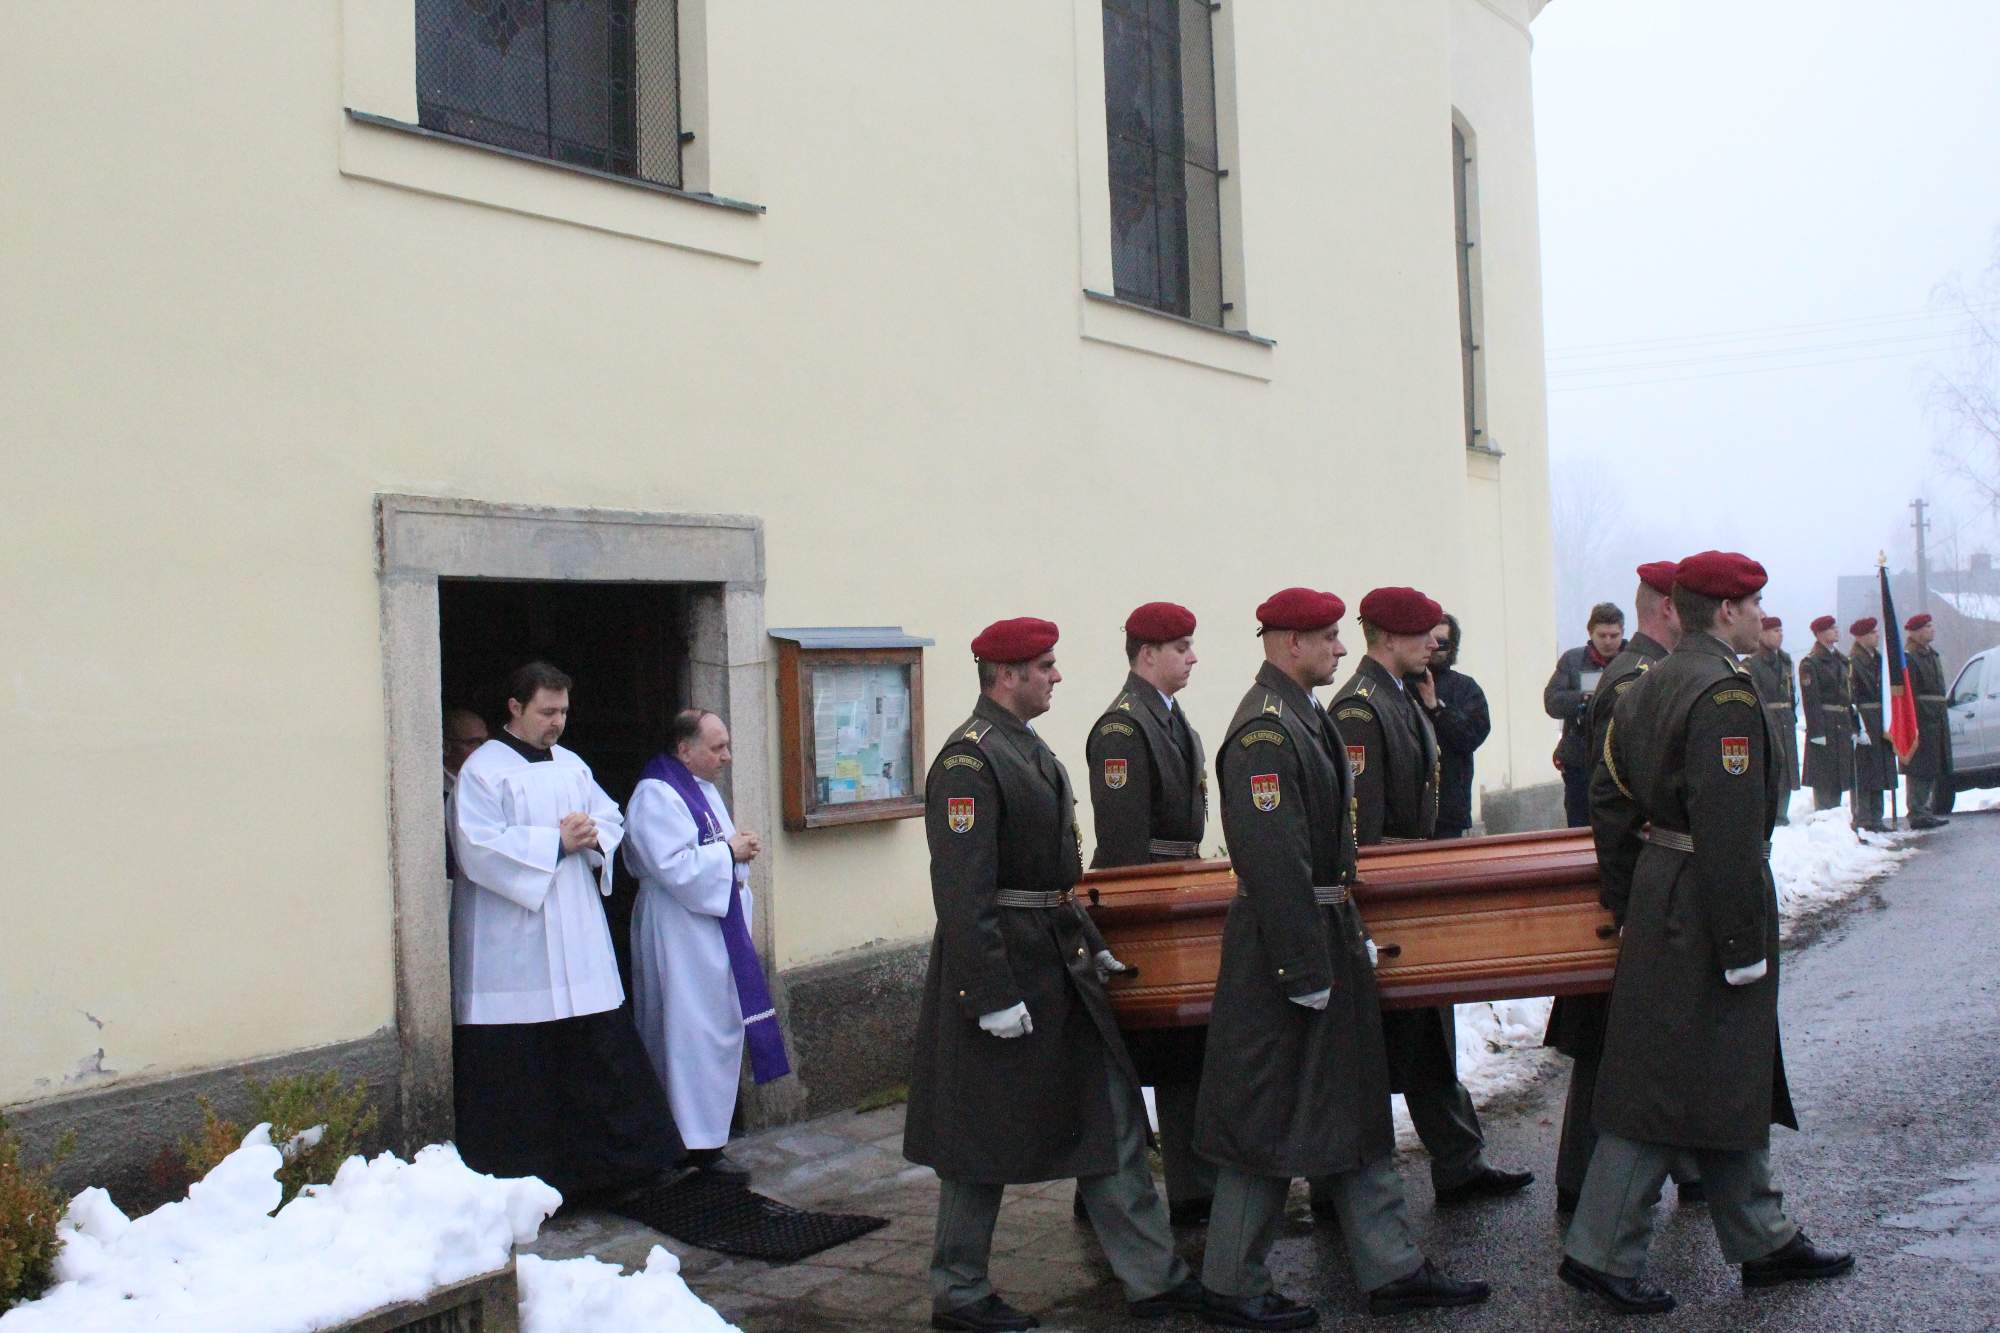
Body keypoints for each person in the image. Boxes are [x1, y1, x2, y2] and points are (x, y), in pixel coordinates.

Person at [1562, 552, 1852, 1315]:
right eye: (1752, 604)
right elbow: (1728, 828)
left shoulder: (1650, 680)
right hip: (1706, 899)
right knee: (1668, 1081)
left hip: (1668, 888)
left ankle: (1762, 1234)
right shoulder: (1722, 691)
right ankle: (1600, 1249)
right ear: (1725, 610)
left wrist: (1631, 891)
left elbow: (1609, 794)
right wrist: (1741, 942)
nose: (1759, 615)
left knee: (1722, 1068)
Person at [1195, 587, 1489, 1328]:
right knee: (1270, 1114)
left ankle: (1392, 1264)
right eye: (1327, 635)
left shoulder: (1304, 714)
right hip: (1284, 949)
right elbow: (1273, 860)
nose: (1339, 646)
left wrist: (1341, 934)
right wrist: (1302, 966)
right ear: (1290, 642)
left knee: (1349, 1102)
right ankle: (1231, 1280)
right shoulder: (1266, 730)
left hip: (1323, 930)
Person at [903, 618, 1200, 1332]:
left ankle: (1155, 1278)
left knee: (1110, 1117)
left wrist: (1091, 943)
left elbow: (1055, 876)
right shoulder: (969, 760)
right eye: (1044, 666)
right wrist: (989, 993)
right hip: (1006, 968)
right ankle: (959, 1290)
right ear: (1006, 676)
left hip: (1058, 964)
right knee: (982, 1135)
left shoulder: (1025, 746)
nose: (1057, 675)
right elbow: (963, 890)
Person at [1322, 587, 1532, 1211]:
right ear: (1388, 638)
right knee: (1383, 1045)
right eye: (1421, 636)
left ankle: (1459, 1161)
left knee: (1427, 1034)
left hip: (1413, 885)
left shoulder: (1400, 695)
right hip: (1389, 897)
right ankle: (1344, 1188)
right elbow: (1361, 826)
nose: (1434, 644)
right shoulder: (1361, 708)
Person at [448, 661, 684, 1200]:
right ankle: (528, 1185)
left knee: (599, 1052)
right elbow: (476, 845)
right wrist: (553, 843)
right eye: (547, 711)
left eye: (563, 712)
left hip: (576, 936)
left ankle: (620, 1171)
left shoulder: (572, 764)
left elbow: (611, 818)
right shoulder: (483, 771)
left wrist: (592, 834)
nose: (557, 722)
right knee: (520, 1067)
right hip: (513, 945)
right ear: (515, 707)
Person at [1546, 561, 1700, 1215]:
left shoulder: (1643, 672)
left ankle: (1685, 1162)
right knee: (1616, 1035)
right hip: (1638, 882)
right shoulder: (1637, 679)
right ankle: (1585, 1177)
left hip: (1645, 879)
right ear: (1668, 607)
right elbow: (1613, 801)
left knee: (1639, 1032)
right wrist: (1628, 900)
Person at [1081, 601, 1213, 1227]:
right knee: (1134, 1056)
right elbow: (1124, 841)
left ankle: (1192, 1185)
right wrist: (1142, 922)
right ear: (1148, 654)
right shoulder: (1122, 728)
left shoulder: (1168, 717)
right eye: (1181, 648)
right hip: (1145, 906)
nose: (1192, 658)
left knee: (1183, 1048)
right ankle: (1102, 1190)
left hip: (1175, 895)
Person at [625, 708, 784, 1180]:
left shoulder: (702, 789)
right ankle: (688, 1145)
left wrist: (736, 854)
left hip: (711, 929)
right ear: (684, 750)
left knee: (712, 1027)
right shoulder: (656, 794)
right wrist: (729, 852)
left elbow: (713, 855)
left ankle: (708, 1137)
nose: (727, 756)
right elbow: (674, 868)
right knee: (684, 1033)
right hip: (678, 930)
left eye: (727, 745)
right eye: (717, 748)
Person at [1546, 603, 1627, 827]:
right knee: (1579, 824)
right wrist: (1584, 699)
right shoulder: (1572, 661)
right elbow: (1552, 702)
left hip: (1622, 759)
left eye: (1614, 635)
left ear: (1622, 633)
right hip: (1580, 761)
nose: (1608, 642)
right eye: (1602, 635)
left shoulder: (1634, 662)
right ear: (1590, 633)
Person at [1420, 614, 1491, 839]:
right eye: (1429, 640)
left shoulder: (1466, 688)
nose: (1434, 647)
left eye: (1441, 643)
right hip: (1410, 809)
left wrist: (1437, 708)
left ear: (1452, 647)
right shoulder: (1403, 683)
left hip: (1449, 808)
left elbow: (1471, 736)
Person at [1797, 615, 1853, 813]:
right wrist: (1817, 731)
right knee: (1824, 776)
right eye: (1831, 628)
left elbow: (1848, 695)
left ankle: (1835, 817)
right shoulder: (1811, 663)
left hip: (1841, 722)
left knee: (1838, 775)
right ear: (1820, 633)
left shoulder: (1841, 660)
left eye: (1836, 627)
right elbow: (1811, 700)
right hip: (1825, 723)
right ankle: (1824, 817)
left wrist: (1854, 725)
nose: (1836, 631)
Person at [1746, 617, 1799, 823]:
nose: (1780, 635)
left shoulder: (1785, 661)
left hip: (1785, 718)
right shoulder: (1752, 664)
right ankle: (1769, 813)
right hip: (1767, 718)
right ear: (1762, 634)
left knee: (1786, 767)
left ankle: (1781, 812)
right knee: (1770, 767)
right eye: (1775, 631)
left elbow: (1791, 693)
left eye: (1781, 630)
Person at [1904, 613, 1952, 829]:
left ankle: (1925, 809)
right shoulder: (1910, 657)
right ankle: (1917, 811)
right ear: (1916, 632)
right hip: (1922, 719)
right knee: (1919, 767)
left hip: (1936, 717)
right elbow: (1910, 694)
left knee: (1932, 765)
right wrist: (1916, 721)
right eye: (1927, 626)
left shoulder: (1932, 655)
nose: (1932, 629)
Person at [1846, 619, 1893, 832]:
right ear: (1861, 637)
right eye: (1872, 633)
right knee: (1864, 770)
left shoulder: (1879, 660)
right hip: (1864, 717)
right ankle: (1863, 817)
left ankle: (1877, 816)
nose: (1877, 635)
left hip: (1880, 718)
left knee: (1880, 769)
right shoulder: (1853, 662)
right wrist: (1856, 727)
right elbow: (1851, 697)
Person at [443, 707, 489, 880]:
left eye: (486, 742)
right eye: (474, 743)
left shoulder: (493, 784)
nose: (483, 750)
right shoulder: (431, 792)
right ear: (446, 747)